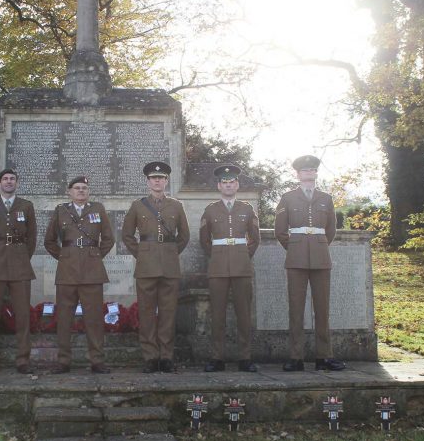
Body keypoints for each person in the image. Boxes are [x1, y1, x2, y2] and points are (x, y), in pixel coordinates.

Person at [274, 155, 344, 372]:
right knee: (296, 308)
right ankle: (296, 357)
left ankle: (324, 356)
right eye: (304, 171)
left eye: (312, 170)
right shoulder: (287, 198)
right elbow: (280, 230)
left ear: (316, 173)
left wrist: (320, 245)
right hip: (296, 258)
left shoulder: (326, 198)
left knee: (322, 309)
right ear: (297, 174)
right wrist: (295, 247)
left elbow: (330, 230)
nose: (308, 174)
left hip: (321, 258)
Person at [122, 162, 189, 373]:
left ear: (167, 181)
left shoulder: (177, 206)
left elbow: (184, 236)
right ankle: (150, 357)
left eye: (161, 178)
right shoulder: (137, 206)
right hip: (146, 265)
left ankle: (167, 356)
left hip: (169, 265)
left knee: (169, 312)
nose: (157, 181)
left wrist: (170, 252)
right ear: (148, 181)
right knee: (147, 312)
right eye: (153, 178)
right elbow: (126, 235)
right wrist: (142, 254)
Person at [44, 175, 114, 374]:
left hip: (92, 271)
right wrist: (64, 256)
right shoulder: (61, 211)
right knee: (64, 318)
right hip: (67, 271)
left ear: (88, 191)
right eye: (77, 188)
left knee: (94, 319)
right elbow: (49, 241)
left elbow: (108, 238)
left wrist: (96, 255)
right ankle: (63, 361)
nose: (81, 191)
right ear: (69, 192)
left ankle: (97, 361)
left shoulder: (98, 209)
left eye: (84, 188)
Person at [199, 165, 260, 373]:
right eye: (225, 183)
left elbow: (255, 238)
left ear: (237, 185)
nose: (228, 185)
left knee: (244, 314)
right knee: (217, 315)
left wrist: (243, 255)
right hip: (218, 268)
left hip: (242, 267)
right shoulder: (210, 210)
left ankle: (245, 358)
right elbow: (204, 240)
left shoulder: (247, 208)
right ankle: (217, 358)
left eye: (232, 182)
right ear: (219, 186)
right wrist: (217, 256)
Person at [0, 168, 36, 375]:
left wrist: (21, 256)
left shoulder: (26, 206)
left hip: (20, 263)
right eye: (5, 179)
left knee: (22, 315)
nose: (9, 182)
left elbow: (32, 238)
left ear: (16, 183)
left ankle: (23, 359)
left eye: (12, 179)